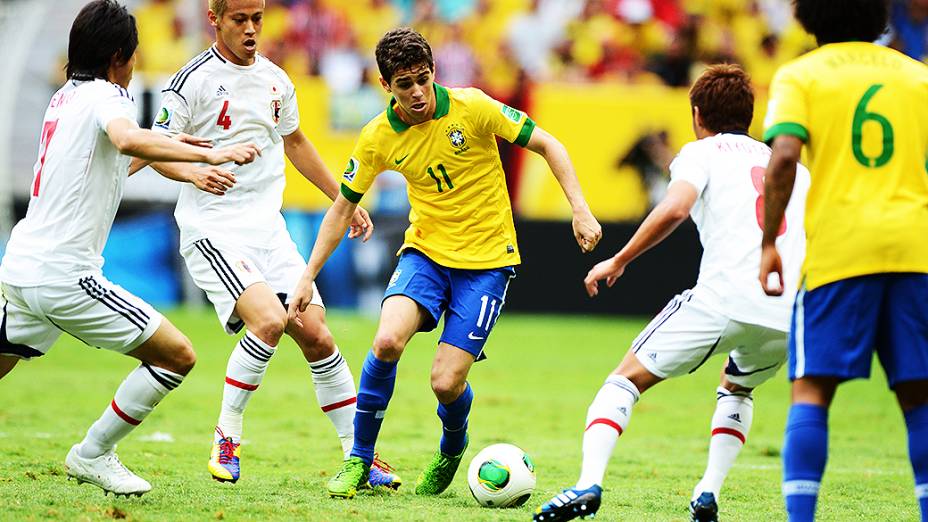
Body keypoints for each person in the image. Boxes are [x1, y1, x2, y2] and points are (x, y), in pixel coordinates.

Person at [286, 27, 603, 499]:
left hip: (489, 262)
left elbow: (549, 144)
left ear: (433, 72)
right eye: (404, 84)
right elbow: (341, 208)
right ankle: (358, 458)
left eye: (422, 78)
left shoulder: (472, 107)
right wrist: (307, 276)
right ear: (385, 85)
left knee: (445, 383)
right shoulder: (377, 137)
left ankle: (453, 446)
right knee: (388, 339)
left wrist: (580, 208)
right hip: (426, 253)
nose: (416, 92)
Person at [0, 0, 260, 497]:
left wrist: (190, 165)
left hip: (20, 268)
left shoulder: (65, 99)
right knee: (177, 355)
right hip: (63, 276)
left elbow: (119, 159)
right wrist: (211, 150)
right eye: (134, 55)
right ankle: (92, 454)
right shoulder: (109, 97)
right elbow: (126, 140)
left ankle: (93, 454)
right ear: (120, 56)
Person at [534, 64, 810, 522]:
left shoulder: (702, 152)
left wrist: (619, 258)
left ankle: (587, 484)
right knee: (736, 387)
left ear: (697, 114)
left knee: (623, 380)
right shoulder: (793, 169)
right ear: (749, 114)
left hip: (723, 298)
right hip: (785, 308)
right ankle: (707, 492)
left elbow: (677, 206)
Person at [147, 0, 400, 488]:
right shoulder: (189, 82)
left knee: (318, 335)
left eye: (257, 19)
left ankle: (358, 457)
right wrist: (196, 173)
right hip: (213, 229)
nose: (250, 29)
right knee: (269, 320)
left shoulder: (276, 80)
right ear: (215, 19)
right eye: (239, 19)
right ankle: (227, 435)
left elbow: (297, 142)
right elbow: (157, 149)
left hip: (268, 229)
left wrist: (343, 200)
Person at [759, 1, 928, 520]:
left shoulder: (801, 76)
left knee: (811, 389)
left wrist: (769, 240)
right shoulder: (918, 76)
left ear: (807, 18)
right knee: (919, 396)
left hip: (841, 250)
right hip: (915, 248)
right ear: (879, 16)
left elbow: (784, 156)